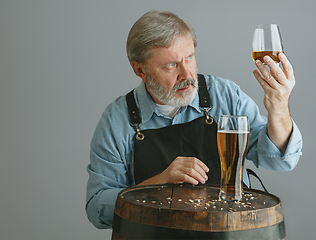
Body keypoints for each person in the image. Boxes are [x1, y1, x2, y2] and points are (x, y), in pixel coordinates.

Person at [86, 10, 302, 229]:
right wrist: (158, 183)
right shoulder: (117, 120)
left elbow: (281, 159)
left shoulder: (226, 96)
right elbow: (97, 209)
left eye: (189, 57)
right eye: (171, 65)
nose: (187, 74)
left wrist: (279, 107)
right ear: (140, 70)